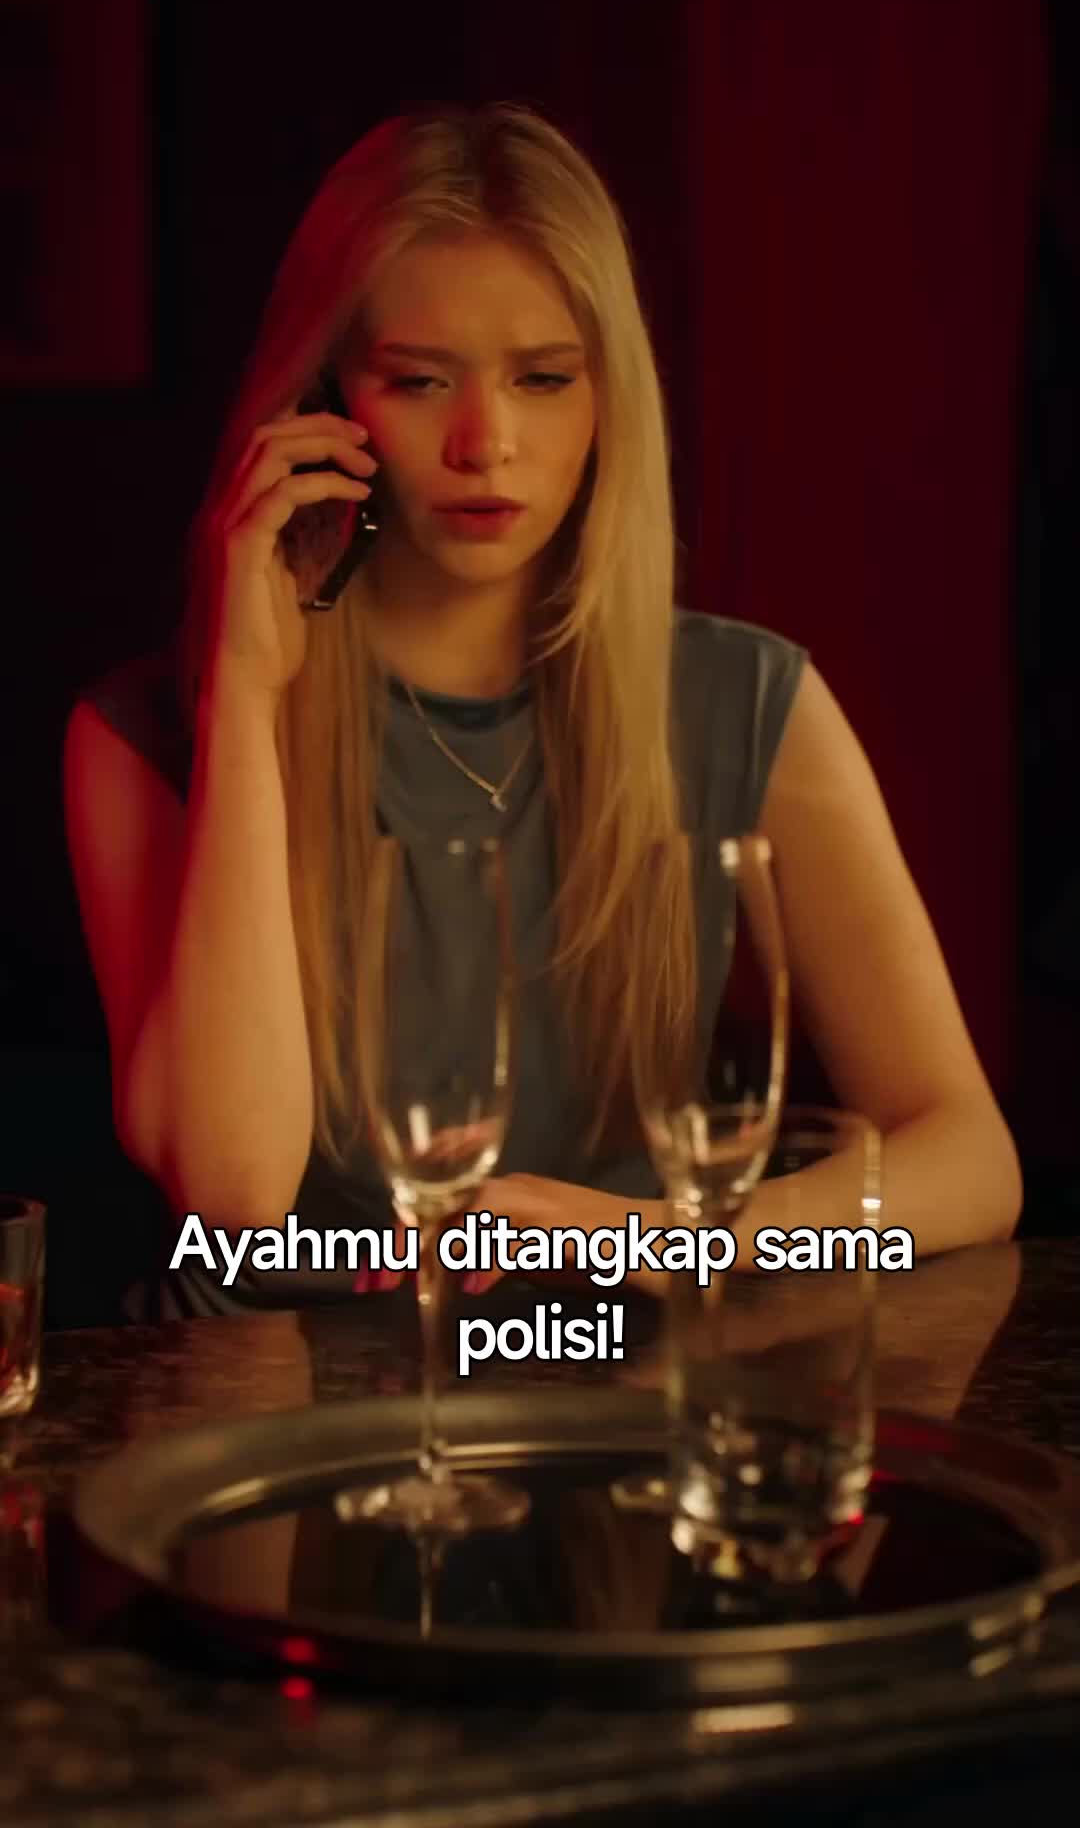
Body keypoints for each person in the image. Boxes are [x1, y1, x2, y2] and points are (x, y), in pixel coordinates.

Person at [62, 102, 1020, 1319]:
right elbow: (235, 1196)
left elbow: (971, 1160)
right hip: (276, 1404)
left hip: (621, 1386)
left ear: (610, 398)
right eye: (419, 380)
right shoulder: (141, 734)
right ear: (323, 398)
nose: (487, 443)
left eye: (545, 378)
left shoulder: (745, 701)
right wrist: (248, 693)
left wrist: (681, 1240)